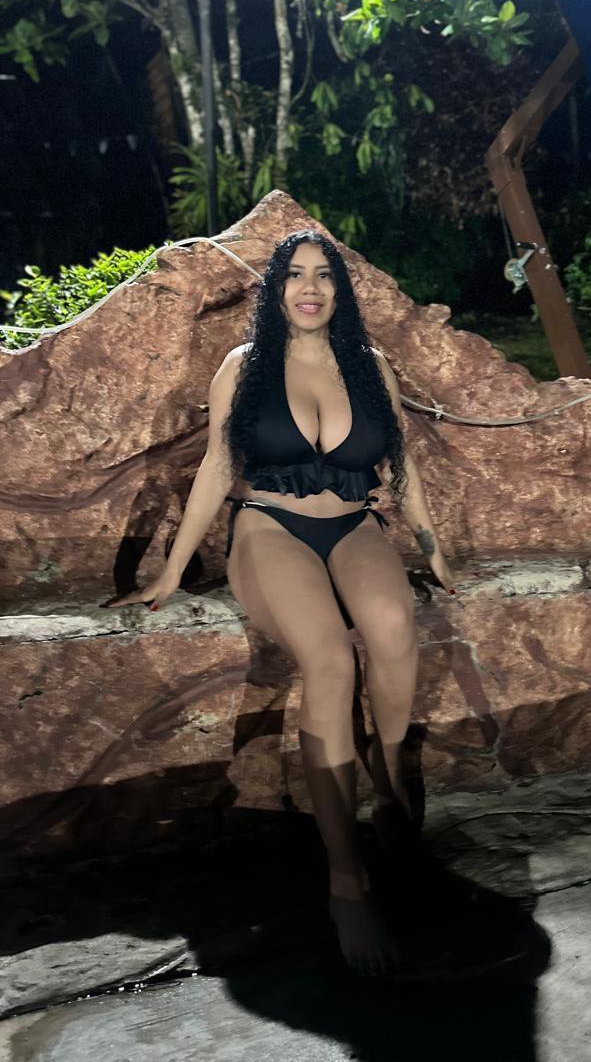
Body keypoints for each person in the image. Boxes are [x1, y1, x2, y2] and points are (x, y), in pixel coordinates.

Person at [109, 229, 457, 975]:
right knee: (330, 662)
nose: (310, 288)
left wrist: (434, 550)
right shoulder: (244, 367)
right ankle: (347, 883)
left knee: (394, 627)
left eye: (324, 275)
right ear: (274, 290)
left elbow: (401, 465)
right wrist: (172, 571)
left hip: (354, 524)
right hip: (270, 527)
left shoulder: (370, 367)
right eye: (295, 275)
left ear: (340, 290)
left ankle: (387, 770)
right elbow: (216, 466)